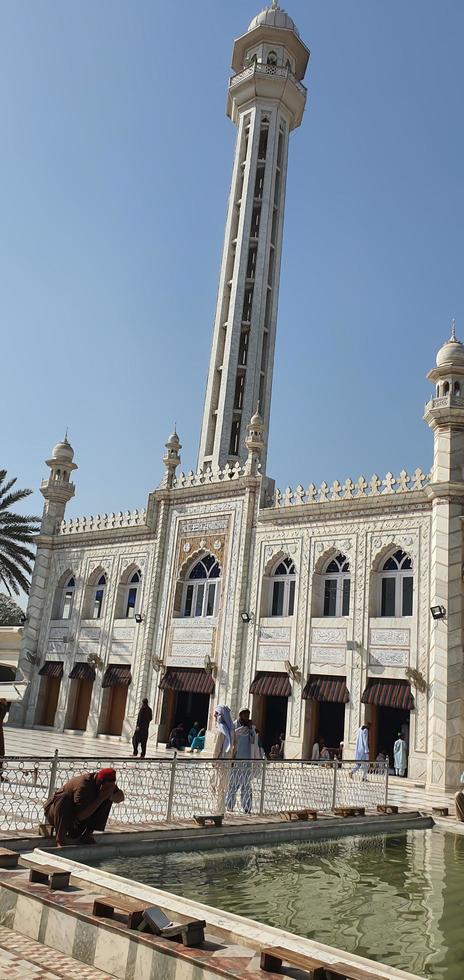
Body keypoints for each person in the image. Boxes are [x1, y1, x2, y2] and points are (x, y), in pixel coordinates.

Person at [44, 768, 124, 847]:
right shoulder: (84, 785)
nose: (108, 789)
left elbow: (121, 797)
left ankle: (87, 835)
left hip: (79, 819)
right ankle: (60, 840)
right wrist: (101, 798)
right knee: (63, 798)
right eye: (106, 787)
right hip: (57, 813)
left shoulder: (108, 784)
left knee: (108, 800)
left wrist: (110, 796)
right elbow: (80, 815)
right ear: (100, 782)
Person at [226, 708, 256, 813]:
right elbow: (230, 740)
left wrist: (251, 729)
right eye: (245, 716)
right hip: (236, 760)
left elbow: (253, 741)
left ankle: (247, 807)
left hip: (247, 762)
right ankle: (229, 805)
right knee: (233, 784)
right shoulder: (234, 726)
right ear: (240, 715)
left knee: (246, 785)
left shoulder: (250, 728)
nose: (247, 718)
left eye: (248, 716)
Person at [212, 705, 235, 811]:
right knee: (223, 786)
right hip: (227, 762)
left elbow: (217, 749)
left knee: (218, 786)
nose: (214, 716)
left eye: (216, 714)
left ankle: (218, 809)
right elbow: (235, 747)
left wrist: (213, 761)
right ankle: (220, 809)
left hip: (220, 763)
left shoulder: (221, 730)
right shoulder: (231, 730)